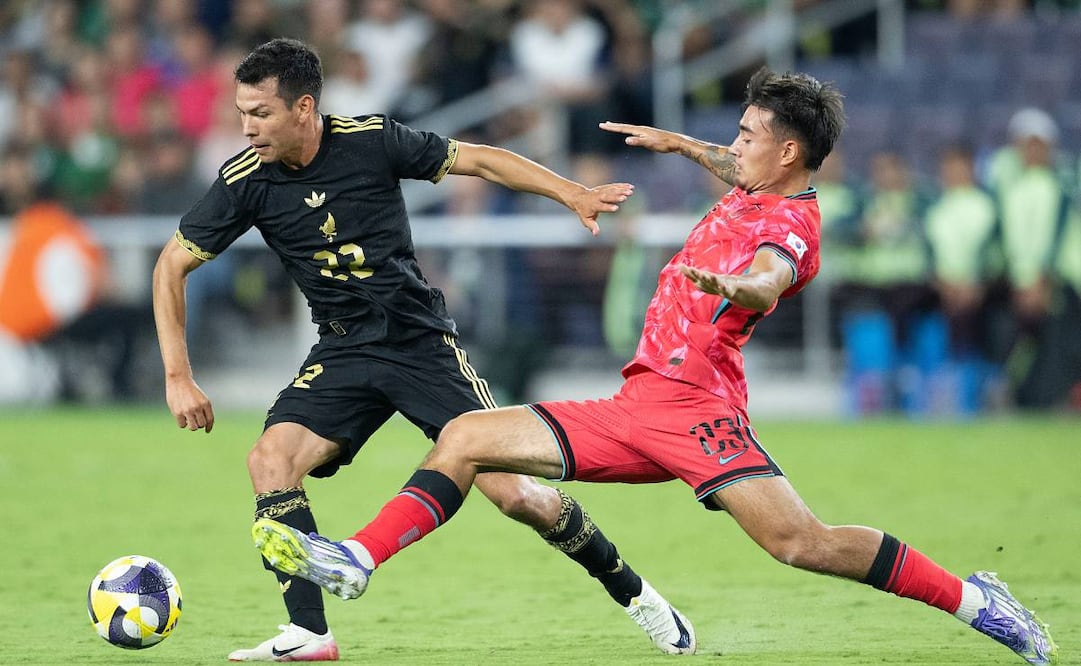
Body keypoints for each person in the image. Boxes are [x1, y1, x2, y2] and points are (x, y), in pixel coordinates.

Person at [253, 68, 1058, 665]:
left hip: (698, 413)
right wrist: (683, 145)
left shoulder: (793, 227)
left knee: (799, 543)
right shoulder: (760, 178)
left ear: (785, 152)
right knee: (463, 435)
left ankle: (972, 599)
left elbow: (772, 272)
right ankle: (357, 557)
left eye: (744, 136)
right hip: (635, 405)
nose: (732, 146)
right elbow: (741, 171)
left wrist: (734, 284)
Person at [152, 37, 694, 662]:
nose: (246, 128)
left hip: (420, 346)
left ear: (304, 108)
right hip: (344, 351)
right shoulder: (244, 180)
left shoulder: (372, 138)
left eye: (260, 113)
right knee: (270, 462)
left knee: (519, 497)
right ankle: (310, 633)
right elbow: (170, 265)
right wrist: (178, 375)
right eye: (242, 112)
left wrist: (569, 192)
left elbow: (482, 161)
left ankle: (639, 597)